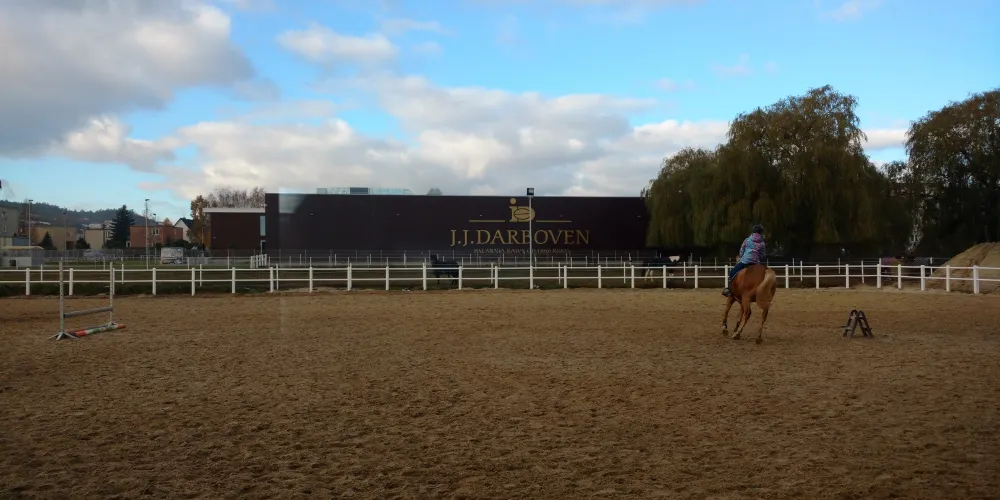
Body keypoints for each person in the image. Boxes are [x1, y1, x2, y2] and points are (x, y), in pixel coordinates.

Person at [722, 224, 766, 297]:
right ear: (761, 232)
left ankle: (729, 289)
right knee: (764, 275)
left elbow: (742, 250)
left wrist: (741, 257)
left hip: (745, 261)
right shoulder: (762, 243)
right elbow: (762, 255)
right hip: (756, 263)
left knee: (732, 272)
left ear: (753, 231)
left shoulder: (747, 240)